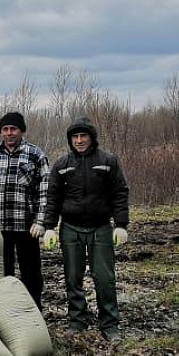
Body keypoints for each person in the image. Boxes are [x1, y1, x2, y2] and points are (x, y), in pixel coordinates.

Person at [41, 117, 130, 340]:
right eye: (75, 137)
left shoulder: (108, 161)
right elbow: (53, 197)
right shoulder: (62, 165)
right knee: (73, 277)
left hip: (100, 228)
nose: (79, 140)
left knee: (104, 277)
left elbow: (120, 193)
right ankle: (77, 320)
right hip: (70, 228)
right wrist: (49, 227)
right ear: (70, 140)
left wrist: (121, 225)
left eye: (83, 136)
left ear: (92, 137)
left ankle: (109, 324)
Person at [0, 111, 50, 306]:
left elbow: (45, 190)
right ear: (1, 132)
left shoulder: (36, 155)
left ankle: (34, 309)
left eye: (13, 129)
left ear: (22, 131)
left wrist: (41, 221)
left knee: (31, 272)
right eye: (5, 129)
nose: (9, 133)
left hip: (27, 226)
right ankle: (5, 310)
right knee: (1, 272)